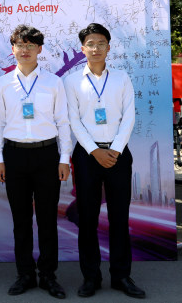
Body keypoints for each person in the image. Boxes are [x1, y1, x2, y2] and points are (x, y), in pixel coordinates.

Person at [64, 23, 145, 299]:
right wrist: (94, 151)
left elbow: (129, 116)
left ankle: (121, 276)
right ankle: (91, 277)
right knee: (87, 218)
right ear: (82, 48)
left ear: (108, 47)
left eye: (101, 43)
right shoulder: (72, 81)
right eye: (90, 43)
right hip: (87, 156)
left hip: (118, 155)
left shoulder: (122, 78)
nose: (96, 48)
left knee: (119, 217)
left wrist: (116, 150)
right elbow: (73, 120)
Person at [0, 25, 71, 299]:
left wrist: (64, 158)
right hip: (14, 156)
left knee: (48, 219)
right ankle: (25, 274)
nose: (24, 50)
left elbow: (63, 122)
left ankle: (48, 275)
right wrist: (0, 159)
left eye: (30, 45)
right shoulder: (4, 83)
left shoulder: (53, 82)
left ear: (39, 49)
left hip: (46, 155)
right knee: (21, 219)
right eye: (20, 45)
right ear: (12, 49)